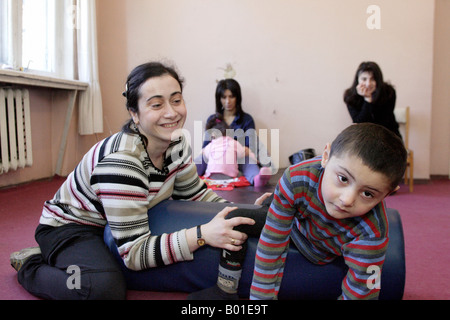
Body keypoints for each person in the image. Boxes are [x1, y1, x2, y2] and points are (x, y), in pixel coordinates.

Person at [9, 62, 259, 300]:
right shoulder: (123, 162)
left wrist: (239, 213)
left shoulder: (177, 142)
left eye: (176, 100)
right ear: (134, 113)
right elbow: (136, 254)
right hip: (72, 227)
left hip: (118, 221)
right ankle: (31, 265)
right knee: (102, 288)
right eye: (156, 105)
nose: (172, 113)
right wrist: (202, 234)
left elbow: (196, 196)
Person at [250, 123, 407, 300]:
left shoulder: (372, 231)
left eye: (367, 193)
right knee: (248, 216)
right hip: (295, 227)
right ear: (326, 156)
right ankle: (270, 202)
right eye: (343, 178)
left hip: (328, 250)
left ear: (387, 194)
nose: (347, 200)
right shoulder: (296, 178)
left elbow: (362, 292)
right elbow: (271, 243)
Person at [196, 79, 271, 186]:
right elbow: (206, 146)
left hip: (239, 157)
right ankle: (188, 176)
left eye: (231, 96)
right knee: (201, 158)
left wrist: (239, 150)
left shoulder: (247, 119)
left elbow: (251, 147)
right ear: (219, 99)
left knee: (248, 161)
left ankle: (257, 179)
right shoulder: (213, 120)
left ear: (237, 98)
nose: (228, 101)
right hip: (216, 158)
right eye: (224, 97)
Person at [201, 113, 271, 186]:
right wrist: (253, 157)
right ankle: (256, 178)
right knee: (247, 160)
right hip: (230, 176)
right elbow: (244, 153)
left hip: (211, 177)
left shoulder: (209, 146)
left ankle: (191, 174)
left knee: (201, 159)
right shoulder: (233, 142)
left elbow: (203, 152)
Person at [344, 61, 402, 138]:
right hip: (364, 137)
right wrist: (367, 100)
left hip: (388, 135)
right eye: (364, 79)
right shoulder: (350, 96)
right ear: (358, 80)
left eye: (372, 79)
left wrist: (371, 99)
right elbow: (359, 124)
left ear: (378, 80)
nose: (368, 84)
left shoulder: (389, 92)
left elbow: (384, 122)